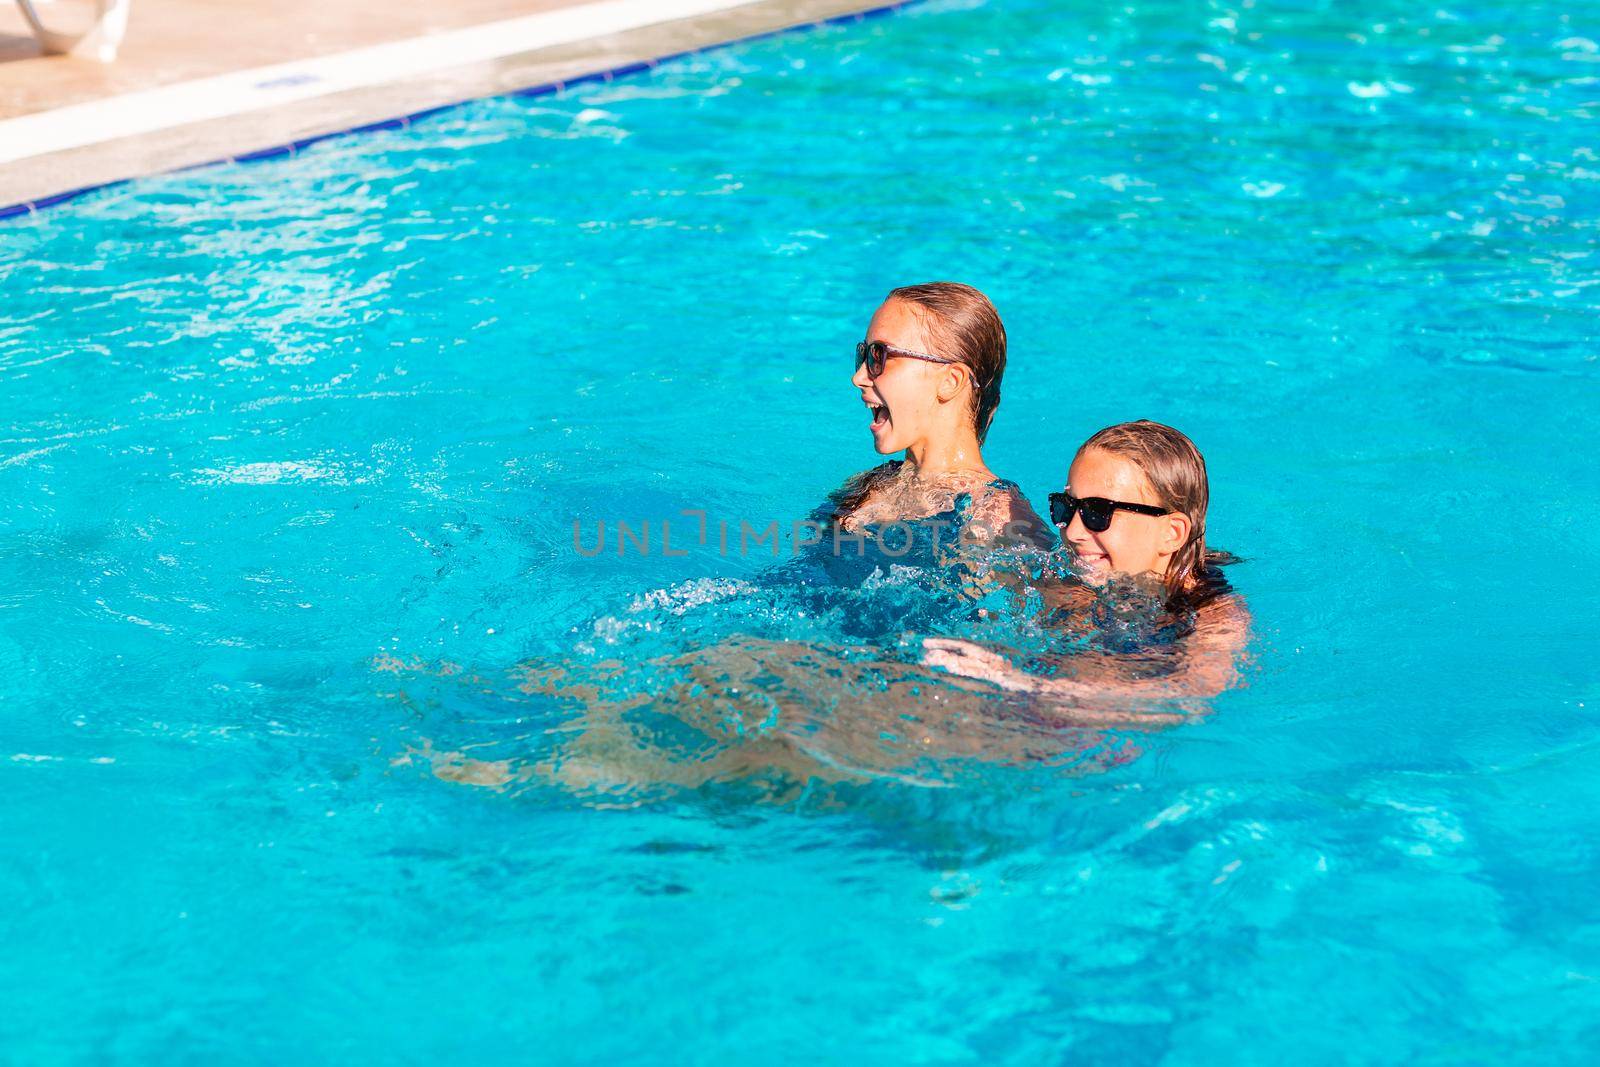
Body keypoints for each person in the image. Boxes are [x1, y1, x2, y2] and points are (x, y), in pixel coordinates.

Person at [924, 420, 1249, 701]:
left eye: (1098, 513)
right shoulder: (1073, 577)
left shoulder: (1214, 614)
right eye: (1066, 507)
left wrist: (1020, 681)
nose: (1074, 531)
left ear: (1172, 534)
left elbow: (1190, 695)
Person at [825, 282, 1048, 549]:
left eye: (878, 356)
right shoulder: (865, 487)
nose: (858, 377)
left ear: (951, 381)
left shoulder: (1000, 517)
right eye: (863, 355)